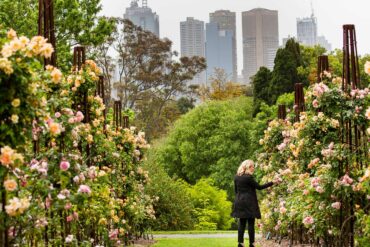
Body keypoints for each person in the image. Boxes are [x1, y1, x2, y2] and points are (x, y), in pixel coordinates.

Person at [231, 160, 274, 247]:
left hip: (239, 202)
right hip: (249, 203)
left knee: (241, 223)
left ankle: (240, 243)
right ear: (248, 167)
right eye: (252, 167)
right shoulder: (248, 178)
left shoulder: (236, 177)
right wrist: (272, 182)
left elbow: (236, 191)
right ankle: (251, 243)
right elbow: (259, 187)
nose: (253, 168)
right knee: (251, 223)